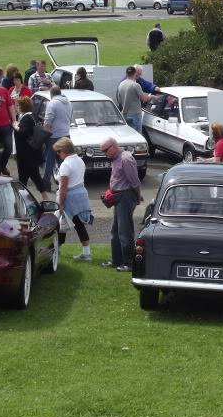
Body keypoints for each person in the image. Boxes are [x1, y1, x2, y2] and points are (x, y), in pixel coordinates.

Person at [100, 137, 141, 272]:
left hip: (125, 196)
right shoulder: (116, 159)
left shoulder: (125, 159)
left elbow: (134, 182)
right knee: (116, 231)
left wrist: (137, 196)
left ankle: (129, 263)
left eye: (106, 150)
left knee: (124, 231)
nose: (105, 153)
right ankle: (116, 260)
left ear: (113, 146)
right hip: (118, 196)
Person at [54, 137, 92, 261]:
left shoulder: (65, 165)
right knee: (79, 224)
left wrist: (60, 205)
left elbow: (63, 187)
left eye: (58, 152)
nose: (58, 154)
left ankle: (57, 250)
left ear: (63, 151)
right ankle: (86, 252)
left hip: (70, 196)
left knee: (61, 223)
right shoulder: (80, 161)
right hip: (82, 194)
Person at [13, 96, 48, 197]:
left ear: (22, 107)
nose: (16, 107)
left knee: (33, 176)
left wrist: (16, 126)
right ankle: (23, 198)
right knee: (27, 177)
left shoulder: (27, 118)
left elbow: (24, 133)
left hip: (26, 154)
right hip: (29, 153)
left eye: (18, 105)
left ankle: (42, 197)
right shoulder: (31, 116)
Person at [42, 86, 72, 186]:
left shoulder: (53, 103)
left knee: (49, 160)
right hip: (66, 135)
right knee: (63, 162)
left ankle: (46, 183)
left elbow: (48, 121)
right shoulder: (68, 103)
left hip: (54, 136)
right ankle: (63, 183)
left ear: (51, 94)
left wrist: (45, 133)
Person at [117, 66, 151, 133]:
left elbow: (119, 100)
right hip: (135, 115)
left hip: (124, 114)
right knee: (137, 136)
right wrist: (151, 96)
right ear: (135, 73)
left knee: (128, 135)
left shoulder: (121, 84)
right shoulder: (135, 85)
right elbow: (144, 99)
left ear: (126, 74)